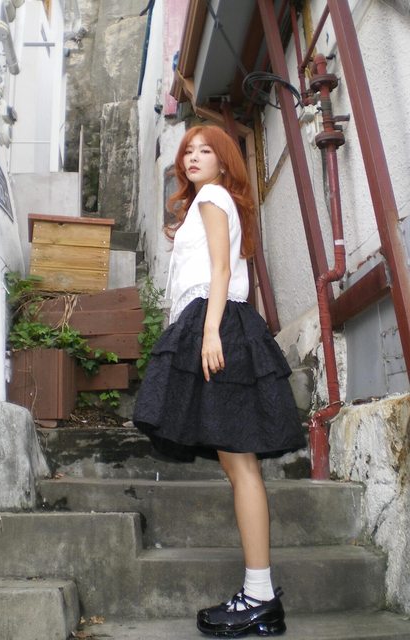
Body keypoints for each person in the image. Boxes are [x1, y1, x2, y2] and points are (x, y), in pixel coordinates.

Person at [133, 124, 307, 637]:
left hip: (217, 324)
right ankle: (260, 596)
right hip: (214, 321)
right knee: (238, 465)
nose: (193, 157)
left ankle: (260, 597)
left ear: (224, 160)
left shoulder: (212, 197)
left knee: (241, 464)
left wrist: (210, 333)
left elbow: (221, 272)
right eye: (188, 151)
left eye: (205, 150)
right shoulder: (206, 203)